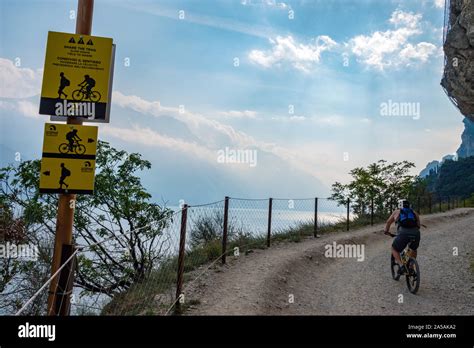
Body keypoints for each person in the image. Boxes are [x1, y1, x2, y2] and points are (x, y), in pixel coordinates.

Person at [383, 199, 420, 275]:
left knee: (394, 249)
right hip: (416, 233)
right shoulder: (414, 212)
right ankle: (411, 267)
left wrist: (386, 231)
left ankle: (402, 265)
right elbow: (418, 226)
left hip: (403, 234)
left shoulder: (397, 212)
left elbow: (388, 222)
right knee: (413, 249)